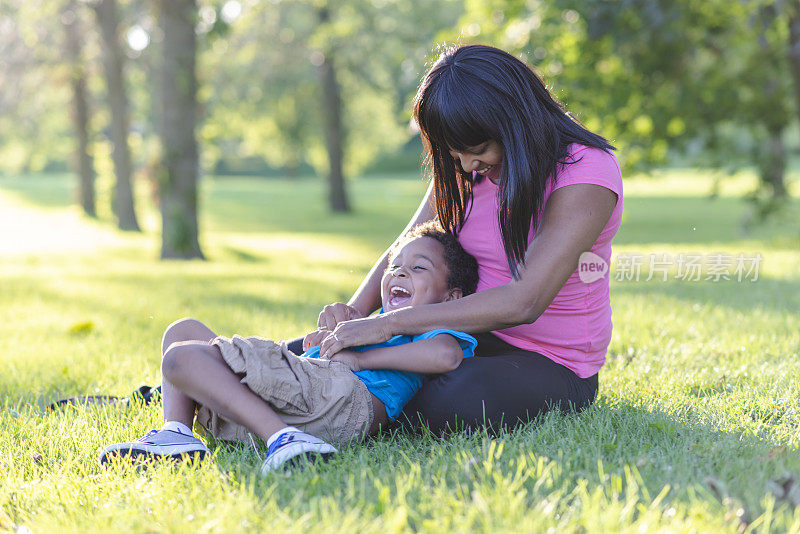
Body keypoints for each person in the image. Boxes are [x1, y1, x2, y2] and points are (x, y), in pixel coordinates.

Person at [307, 44, 624, 434]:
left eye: (477, 151)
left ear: (515, 122)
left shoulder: (585, 171)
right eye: (455, 155)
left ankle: (328, 398)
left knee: (454, 397)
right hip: (458, 333)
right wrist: (353, 316)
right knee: (304, 350)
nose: (467, 166)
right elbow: (407, 243)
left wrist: (388, 326)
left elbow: (525, 301)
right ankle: (296, 385)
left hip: (551, 361)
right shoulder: (464, 166)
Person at [99, 222, 479, 472]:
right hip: (310, 393)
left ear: (451, 298)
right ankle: (177, 434)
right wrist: (327, 340)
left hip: (343, 400)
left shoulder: (430, 328)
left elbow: (445, 356)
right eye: (395, 266)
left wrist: (362, 357)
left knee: (182, 358)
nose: (398, 273)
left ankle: (284, 439)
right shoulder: (369, 323)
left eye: (418, 268)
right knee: (182, 332)